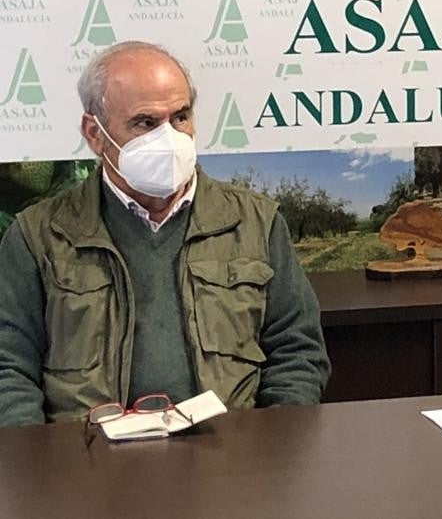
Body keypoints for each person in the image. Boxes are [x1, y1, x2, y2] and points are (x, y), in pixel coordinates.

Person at [0, 42, 331, 426]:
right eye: (145, 123)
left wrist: (271, 442)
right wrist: (44, 463)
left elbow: (298, 350)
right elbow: (8, 366)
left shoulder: (256, 222)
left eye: (180, 117)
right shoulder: (37, 235)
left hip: (228, 458)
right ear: (95, 133)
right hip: (88, 461)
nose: (169, 138)